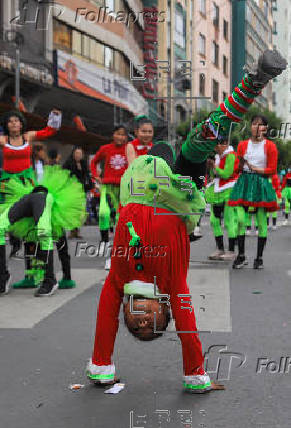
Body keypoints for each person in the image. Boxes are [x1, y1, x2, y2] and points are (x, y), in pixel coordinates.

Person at [86, 49, 287, 392]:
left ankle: (253, 84)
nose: (143, 316)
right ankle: (253, 83)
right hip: (165, 197)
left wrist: (103, 366)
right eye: (150, 320)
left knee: (200, 142)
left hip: (156, 194)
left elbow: (178, 319)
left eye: (139, 320)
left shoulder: (137, 280)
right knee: (199, 143)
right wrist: (195, 374)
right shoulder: (135, 279)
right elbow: (120, 318)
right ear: (158, 309)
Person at [87, 148, 213, 393]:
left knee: (159, 180)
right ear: (164, 310)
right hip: (148, 209)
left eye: (136, 325)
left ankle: (102, 367)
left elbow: (105, 318)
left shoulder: (124, 281)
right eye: (148, 325)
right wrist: (194, 372)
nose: (142, 321)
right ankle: (101, 366)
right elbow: (186, 325)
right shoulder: (162, 283)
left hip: (144, 205)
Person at [0, 166, 86, 296]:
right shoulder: (29, 199)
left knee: (45, 232)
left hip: (44, 198)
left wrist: (67, 276)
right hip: (29, 197)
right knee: (1, 226)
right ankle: (3, 277)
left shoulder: (44, 200)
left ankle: (51, 279)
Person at [0, 108, 62, 263]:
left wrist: (54, 116)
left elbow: (49, 131)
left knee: (30, 224)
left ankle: (33, 269)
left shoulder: (28, 137)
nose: (14, 123)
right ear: (6, 125)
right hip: (8, 185)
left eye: (17, 121)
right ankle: (14, 248)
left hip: (26, 184)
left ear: (21, 124)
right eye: (10, 121)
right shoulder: (2, 140)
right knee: (7, 219)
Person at [228, 115, 279, 269]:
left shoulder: (270, 146)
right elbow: (237, 168)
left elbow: (272, 169)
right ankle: (241, 255)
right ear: (250, 126)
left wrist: (255, 168)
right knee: (241, 220)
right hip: (244, 183)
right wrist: (241, 163)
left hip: (260, 183)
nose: (257, 127)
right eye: (254, 124)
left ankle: (259, 258)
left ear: (265, 129)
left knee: (261, 221)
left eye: (261, 125)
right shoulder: (243, 145)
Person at [90, 125, 128, 269]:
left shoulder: (129, 149)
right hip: (107, 187)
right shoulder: (106, 149)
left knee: (120, 219)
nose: (120, 137)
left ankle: (115, 253)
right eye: (118, 134)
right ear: (113, 135)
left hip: (124, 189)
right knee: (103, 213)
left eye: (123, 135)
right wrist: (95, 176)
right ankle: (104, 241)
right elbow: (93, 162)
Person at [205, 139, 239, 260]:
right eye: (217, 144)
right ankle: (220, 249)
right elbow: (214, 175)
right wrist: (211, 167)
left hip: (230, 190)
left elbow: (226, 174)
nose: (219, 146)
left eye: (222, 143)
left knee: (230, 220)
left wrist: (215, 167)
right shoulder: (217, 157)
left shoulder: (231, 156)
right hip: (217, 191)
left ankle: (231, 251)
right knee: (214, 220)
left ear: (227, 144)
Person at [63, 146, 93, 239]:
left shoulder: (84, 164)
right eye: (76, 153)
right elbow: (64, 176)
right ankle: (72, 231)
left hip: (81, 190)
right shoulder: (68, 164)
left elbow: (87, 176)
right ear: (73, 154)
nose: (78, 155)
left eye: (80, 154)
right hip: (71, 190)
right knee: (73, 211)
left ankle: (76, 231)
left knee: (80, 211)